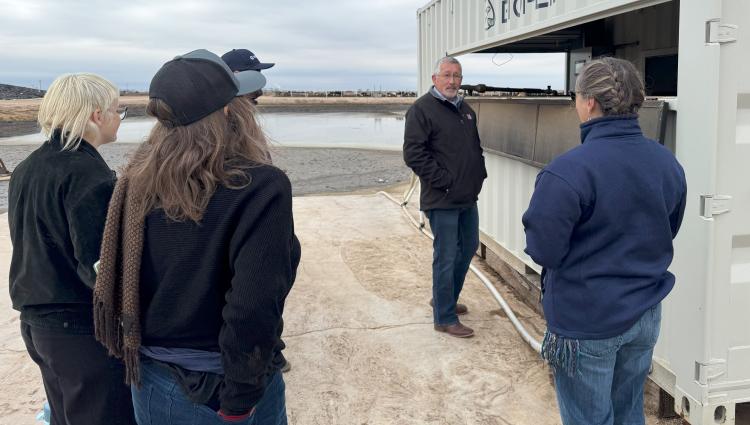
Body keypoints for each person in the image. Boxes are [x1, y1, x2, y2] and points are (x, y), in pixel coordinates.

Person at [93, 49, 300, 425]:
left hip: (152, 379)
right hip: (221, 387)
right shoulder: (259, 187)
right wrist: (239, 399)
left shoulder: (135, 181)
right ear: (227, 110)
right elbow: (253, 304)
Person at [522, 57, 687, 425]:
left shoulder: (568, 170)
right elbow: (668, 228)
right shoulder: (667, 163)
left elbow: (544, 249)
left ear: (590, 102)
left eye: (576, 96)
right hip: (644, 313)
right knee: (629, 412)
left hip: (587, 321)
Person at [7, 73, 135, 425]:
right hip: (76, 327)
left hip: (35, 321)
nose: (119, 118)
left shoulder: (28, 168)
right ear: (96, 115)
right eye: (116, 110)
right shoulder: (86, 173)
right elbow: (99, 264)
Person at [403, 56, 487, 338]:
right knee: (447, 255)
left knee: (469, 246)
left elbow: (474, 148)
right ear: (435, 78)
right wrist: (445, 182)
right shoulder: (421, 110)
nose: (453, 81)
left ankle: (444, 299)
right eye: (447, 75)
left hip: (467, 196)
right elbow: (414, 154)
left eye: (457, 76)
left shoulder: (466, 109)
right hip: (442, 198)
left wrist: (479, 175)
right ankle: (444, 317)